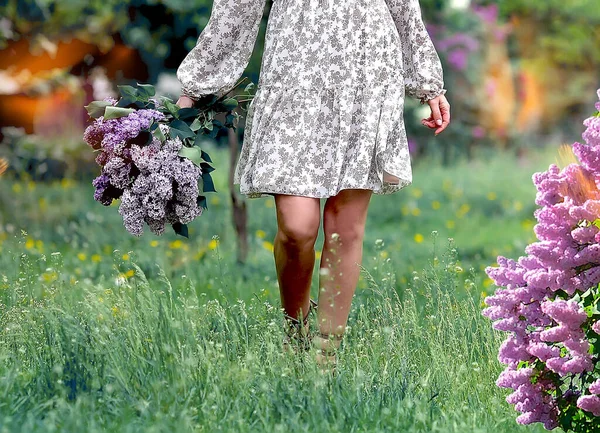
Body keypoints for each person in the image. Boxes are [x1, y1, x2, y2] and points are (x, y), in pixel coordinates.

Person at [176, 0, 451, 373]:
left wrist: (427, 84)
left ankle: (325, 358)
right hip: (295, 72)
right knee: (296, 227)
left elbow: (404, 6)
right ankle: (296, 330)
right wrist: (198, 85)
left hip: (368, 72)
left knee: (345, 230)